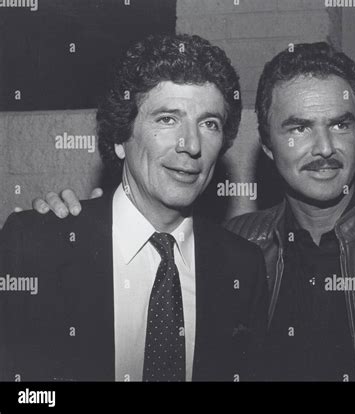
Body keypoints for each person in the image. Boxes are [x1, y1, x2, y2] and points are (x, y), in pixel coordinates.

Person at [31, 42, 355, 381]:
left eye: (341, 124)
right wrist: (65, 225)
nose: (324, 148)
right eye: (298, 127)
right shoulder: (241, 249)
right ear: (265, 145)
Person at [0, 34, 268, 382]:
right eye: (167, 119)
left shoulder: (243, 267)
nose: (191, 144)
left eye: (209, 123)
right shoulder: (35, 246)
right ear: (119, 138)